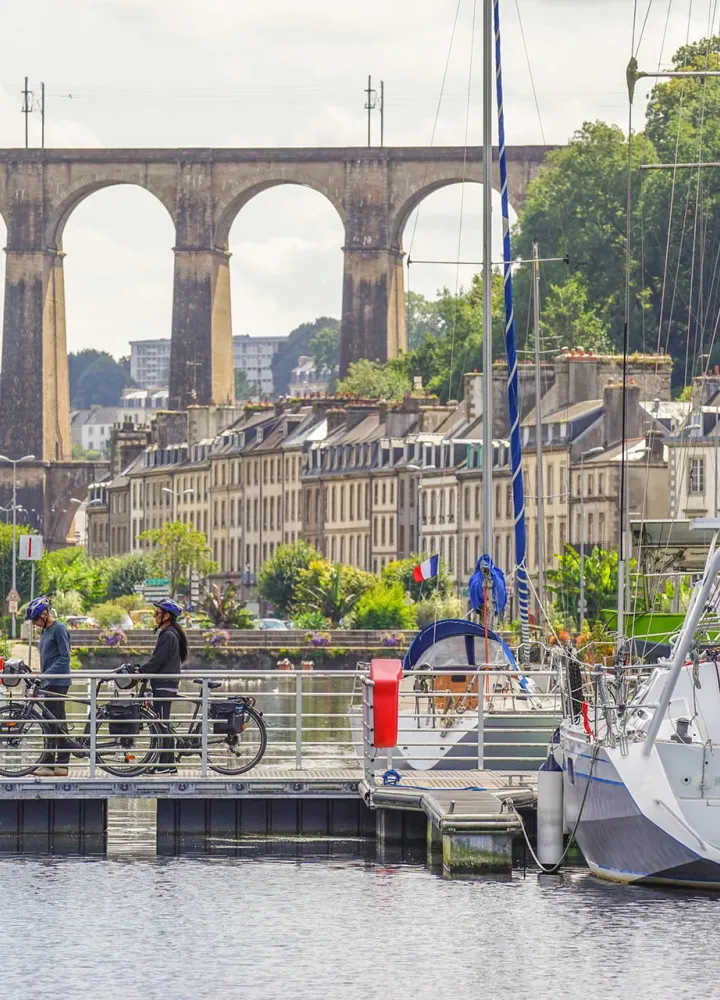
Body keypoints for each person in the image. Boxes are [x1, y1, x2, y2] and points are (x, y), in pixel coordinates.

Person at [139, 598, 188, 774]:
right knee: (162, 723)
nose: (154, 616)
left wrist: (141, 672)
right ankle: (166, 763)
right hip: (166, 685)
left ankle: (165, 764)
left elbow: (157, 661)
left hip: (164, 686)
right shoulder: (172, 633)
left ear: (166, 616)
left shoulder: (168, 635)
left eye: (157, 613)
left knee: (161, 724)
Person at [26, 596, 72, 777]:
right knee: (54, 721)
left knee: (52, 722)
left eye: (35, 620)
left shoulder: (59, 629)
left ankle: (54, 763)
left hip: (58, 682)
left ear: (45, 615)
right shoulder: (45, 631)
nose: (34, 623)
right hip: (49, 681)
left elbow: (64, 657)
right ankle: (58, 764)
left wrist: (46, 674)